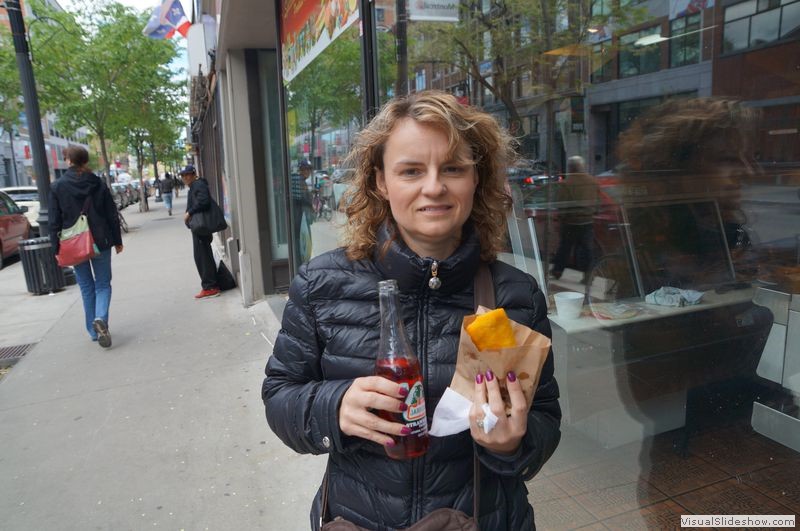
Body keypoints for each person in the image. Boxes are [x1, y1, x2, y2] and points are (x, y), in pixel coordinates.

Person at [262, 90, 561, 530]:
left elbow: (546, 418)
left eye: (454, 168)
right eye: (411, 170)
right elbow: (280, 396)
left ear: (476, 179)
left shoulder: (515, 296)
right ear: (381, 180)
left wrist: (512, 444)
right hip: (357, 518)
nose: (434, 186)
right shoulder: (320, 286)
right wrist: (333, 405)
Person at [49, 145, 123, 348]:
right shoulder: (98, 183)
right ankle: (100, 318)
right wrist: (117, 240)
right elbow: (111, 213)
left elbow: (54, 220)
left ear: (68, 161)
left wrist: (55, 248)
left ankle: (93, 331)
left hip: (74, 244)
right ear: (85, 161)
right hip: (101, 241)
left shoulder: (58, 187)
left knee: (86, 286)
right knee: (103, 284)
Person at [550, 155, 598, 282]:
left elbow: (562, 204)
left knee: (565, 247)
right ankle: (588, 276)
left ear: (570, 168)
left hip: (571, 222)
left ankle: (557, 271)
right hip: (587, 220)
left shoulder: (567, 183)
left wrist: (561, 218)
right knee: (587, 250)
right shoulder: (592, 182)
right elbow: (597, 201)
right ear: (582, 167)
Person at [181, 164, 220, 299]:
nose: (185, 178)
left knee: (202, 256)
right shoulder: (195, 186)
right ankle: (211, 285)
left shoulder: (198, 185)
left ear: (193, 174)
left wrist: (189, 213)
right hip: (199, 227)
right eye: (183, 176)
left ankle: (210, 286)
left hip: (201, 228)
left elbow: (204, 202)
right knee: (203, 255)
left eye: (187, 175)